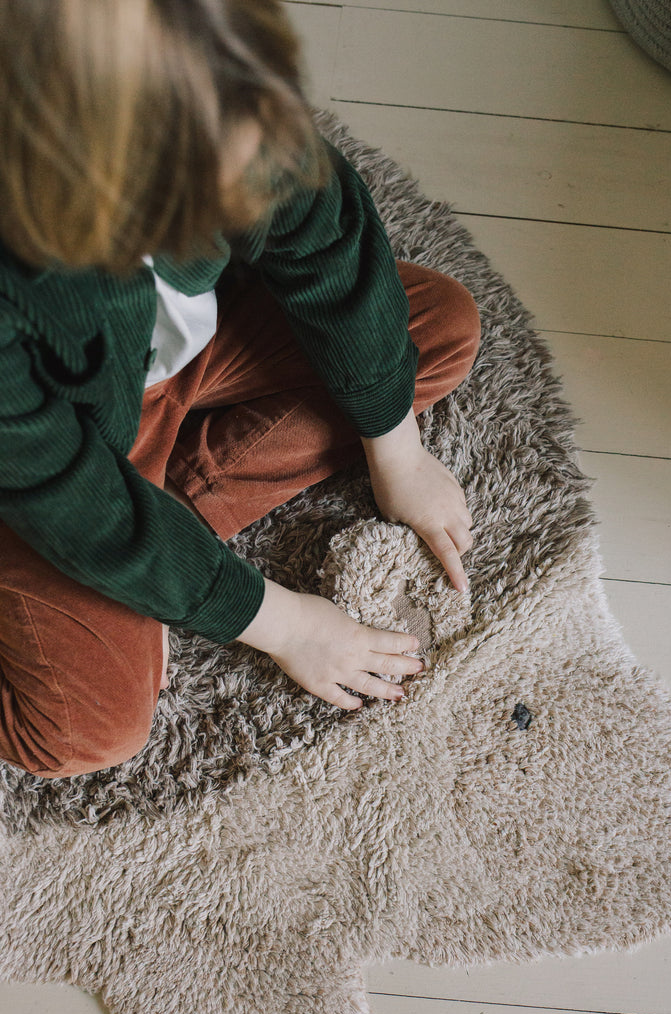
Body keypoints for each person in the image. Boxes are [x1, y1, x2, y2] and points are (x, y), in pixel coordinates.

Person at [0, 0, 481, 781]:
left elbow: (325, 238)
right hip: (52, 450)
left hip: (164, 364)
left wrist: (399, 452)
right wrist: (284, 624)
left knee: (435, 330)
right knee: (86, 728)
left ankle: (169, 537)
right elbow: (70, 495)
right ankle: (155, 558)